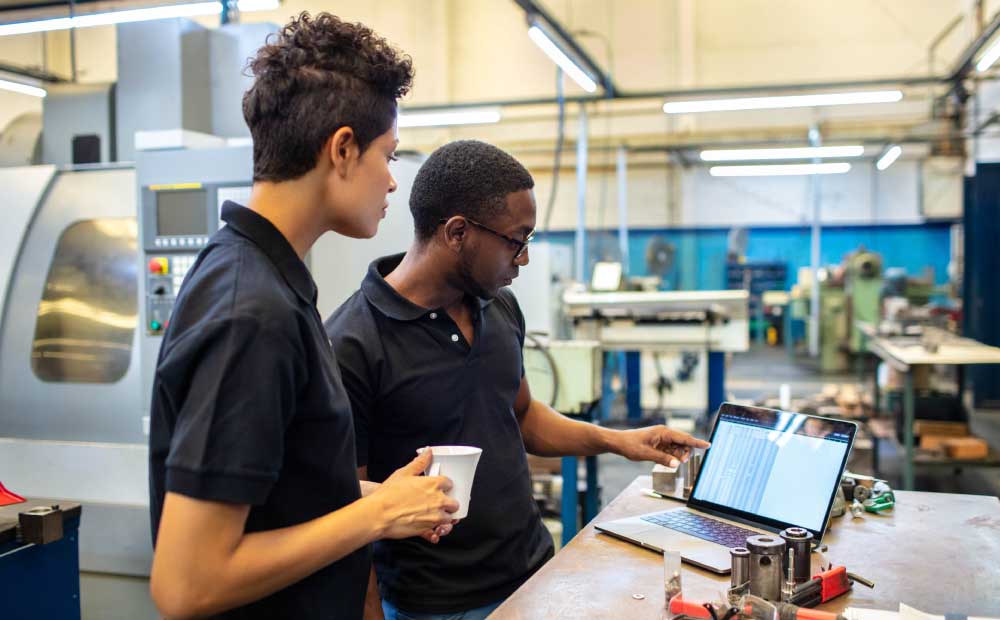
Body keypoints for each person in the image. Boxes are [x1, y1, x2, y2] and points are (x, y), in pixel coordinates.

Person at [148, 13, 458, 619]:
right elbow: (187, 582)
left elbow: (279, 495)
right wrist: (376, 515)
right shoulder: (252, 312)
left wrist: (380, 497)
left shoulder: (262, 275)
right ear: (342, 149)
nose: (393, 182)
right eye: (386, 156)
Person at [325, 140, 711, 620]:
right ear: (458, 233)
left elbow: (522, 415)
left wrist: (619, 440)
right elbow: (346, 514)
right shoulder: (352, 344)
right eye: (516, 240)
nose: (523, 259)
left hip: (532, 573)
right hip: (432, 606)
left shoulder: (498, 305)